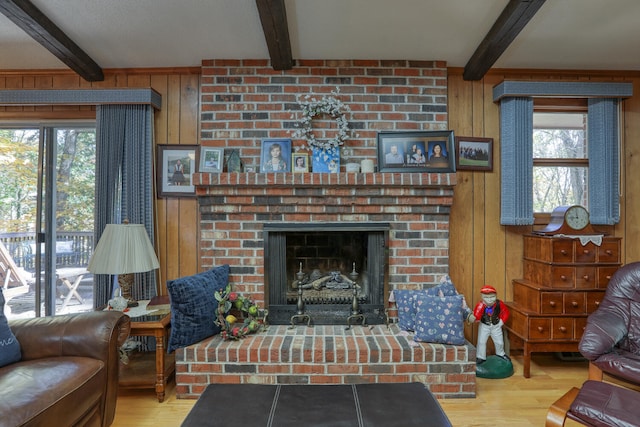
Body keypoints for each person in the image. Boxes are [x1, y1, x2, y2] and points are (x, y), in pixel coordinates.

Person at [470, 285, 510, 365]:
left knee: (499, 342)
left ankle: (501, 354)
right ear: (482, 297)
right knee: (481, 342)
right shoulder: (480, 305)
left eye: (492, 297)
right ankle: (480, 356)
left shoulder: (499, 304)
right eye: (486, 297)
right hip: (484, 326)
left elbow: (506, 312)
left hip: (496, 325)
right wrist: (474, 317)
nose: (490, 300)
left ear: (496, 296)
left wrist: (502, 321)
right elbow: (476, 316)